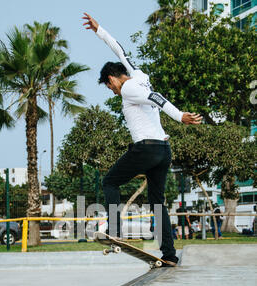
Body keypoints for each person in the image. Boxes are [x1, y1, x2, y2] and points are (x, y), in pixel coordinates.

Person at [82, 13, 203, 265]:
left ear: (112, 79)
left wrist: (179, 115)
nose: (112, 91)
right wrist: (99, 30)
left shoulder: (128, 87)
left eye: (109, 86)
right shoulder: (138, 75)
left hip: (147, 148)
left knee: (110, 182)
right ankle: (169, 255)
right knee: (158, 203)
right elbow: (120, 50)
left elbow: (157, 98)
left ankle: (115, 231)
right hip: (163, 151)